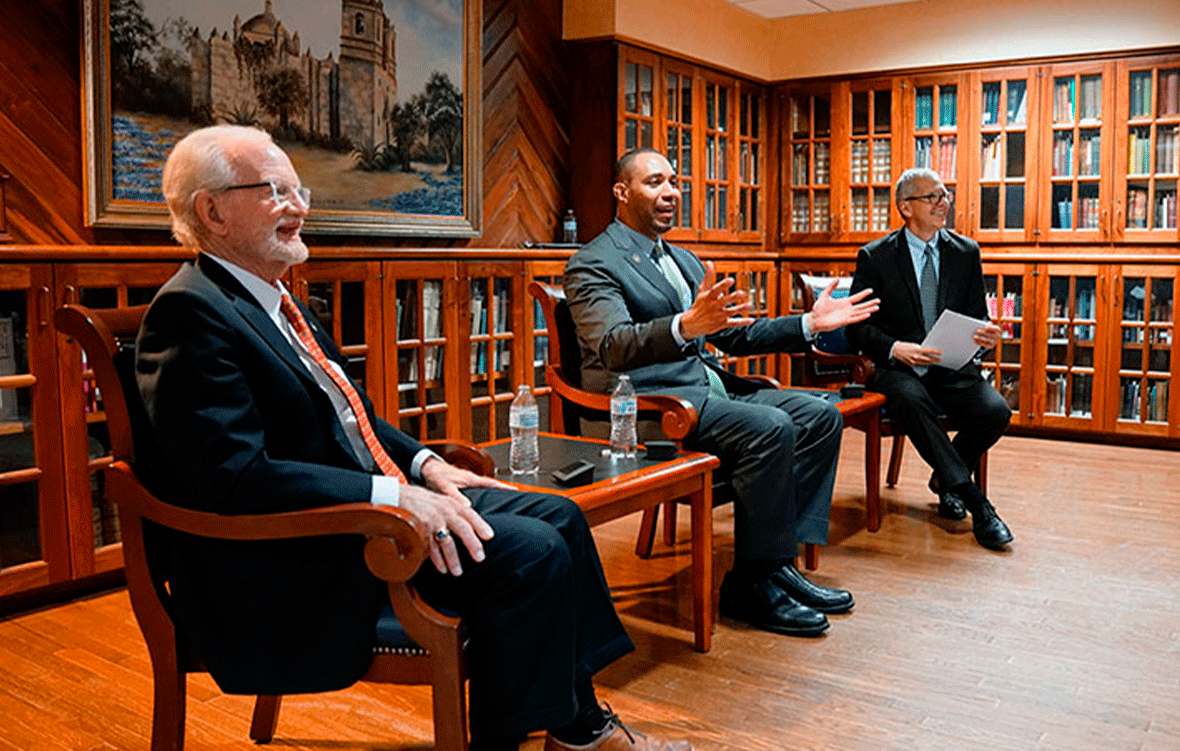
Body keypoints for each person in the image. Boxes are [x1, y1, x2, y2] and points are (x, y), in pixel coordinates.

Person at [135, 125, 690, 751]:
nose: (299, 209)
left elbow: (356, 420)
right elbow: (234, 476)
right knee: (530, 552)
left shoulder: (281, 302)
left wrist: (426, 467)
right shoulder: (190, 312)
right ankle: (541, 735)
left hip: (362, 512)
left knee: (558, 515)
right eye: (276, 192)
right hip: (298, 558)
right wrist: (396, 501)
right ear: (212, 211)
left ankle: (574, 724)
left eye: (300, 191)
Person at [563, 148, 880, 638]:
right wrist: (684, 325)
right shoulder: (592, 264)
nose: (670, 192)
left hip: (708, 393)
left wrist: (808, 323)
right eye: (654, 183)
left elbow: (732, 336)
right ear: (621, 193)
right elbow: (612, 346)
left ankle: (775, 567)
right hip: (650, 407)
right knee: (771, 426)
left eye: (673, 181)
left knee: (821, 415)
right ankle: (750, 584)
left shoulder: (683, 261)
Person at [846, 167, 1014, 551]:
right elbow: (857, 328)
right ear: (905, 207)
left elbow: (976, 315)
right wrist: (894, 349)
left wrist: (984, 335)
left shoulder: (965, 252)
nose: (944, 204)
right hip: (899, 368)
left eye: (945, 195)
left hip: (950, 365)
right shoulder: (876, 257)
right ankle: (977, 504)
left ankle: (945, 478)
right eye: (933, 197)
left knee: (996, 410)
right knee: (909, 398)